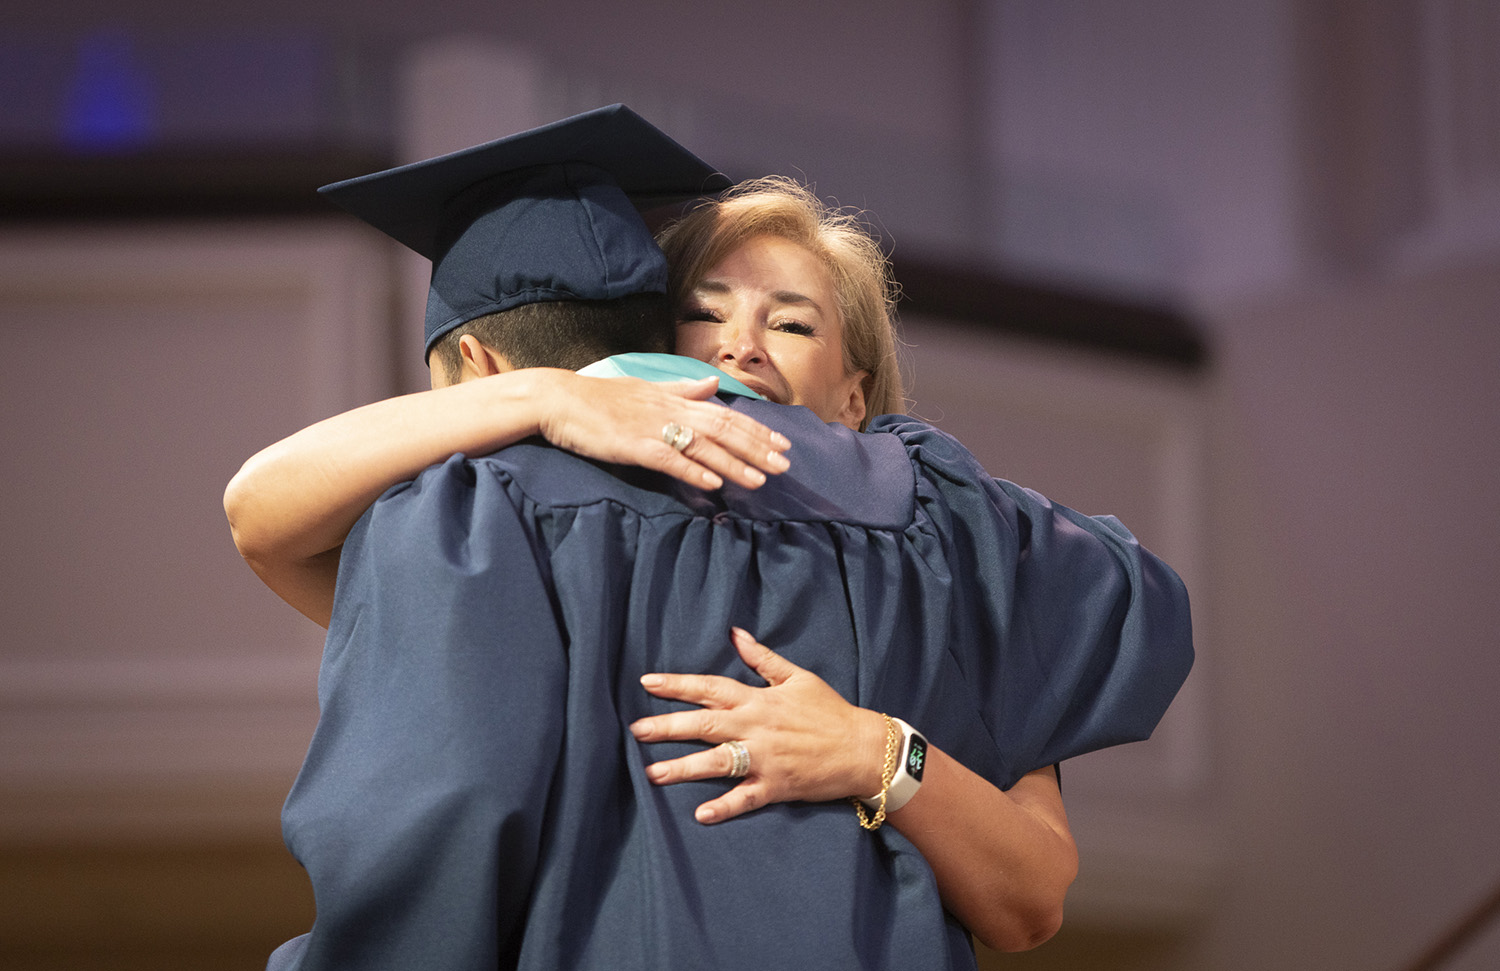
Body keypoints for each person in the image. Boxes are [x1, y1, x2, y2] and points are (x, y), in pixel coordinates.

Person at [228, 106, 1193, 969]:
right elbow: (266, 519)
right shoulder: (958, 536)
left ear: (856, 392)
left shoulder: (940, 533)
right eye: (705, 312)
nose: (739, 348)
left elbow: (440, 823)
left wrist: (875, 750)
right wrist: (549, 398)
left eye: (792, 323)